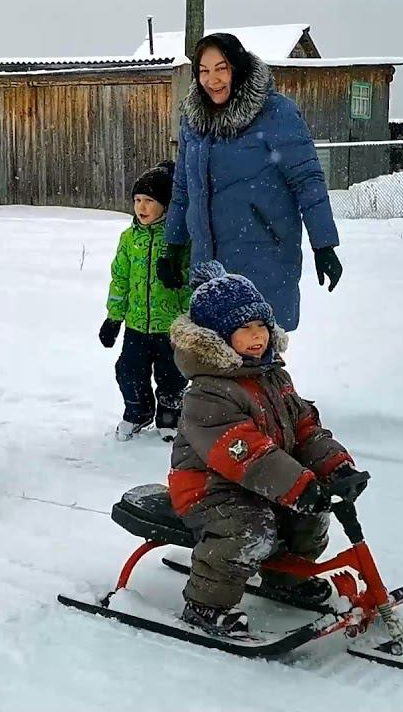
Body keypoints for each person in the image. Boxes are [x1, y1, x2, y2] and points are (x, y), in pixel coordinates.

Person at [166, 262, 364, 636]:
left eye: (261, 325)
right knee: (248, 528)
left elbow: (304, 429)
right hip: (209, 489)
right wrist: (298, 485)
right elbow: (245, 453)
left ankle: (285, 578)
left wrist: (335, 466)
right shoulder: (208, 392)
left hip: (265, 480)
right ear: (217, 339)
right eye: (244, 328)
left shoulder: (274, 376)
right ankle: (206, 604)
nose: (257, 336)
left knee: (308, 518)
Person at [158, 32, 344, 333]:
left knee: (258, 350)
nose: (212, 79)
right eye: (203, 71)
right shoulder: (193, 121)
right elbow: (183, 190)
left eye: (221, 68)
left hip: (264, 259)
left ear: (238, 67)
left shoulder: (275, 114)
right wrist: (173, 245)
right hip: (208, 266)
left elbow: (307, 181)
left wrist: (324, 245)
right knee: (213, 353)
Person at [100, 161, 192, 441]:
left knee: (172, 375)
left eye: (149, 201)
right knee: (128, 371)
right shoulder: (129, 239)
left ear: (165, 205)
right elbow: (120, 280)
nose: (141, 206)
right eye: (137, 200)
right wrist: (114, 318)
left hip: (171, 325)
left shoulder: (178, 239)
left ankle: (169, 414)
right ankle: (138, 411)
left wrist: (179, 277)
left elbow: (194, 274)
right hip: (136, 325)